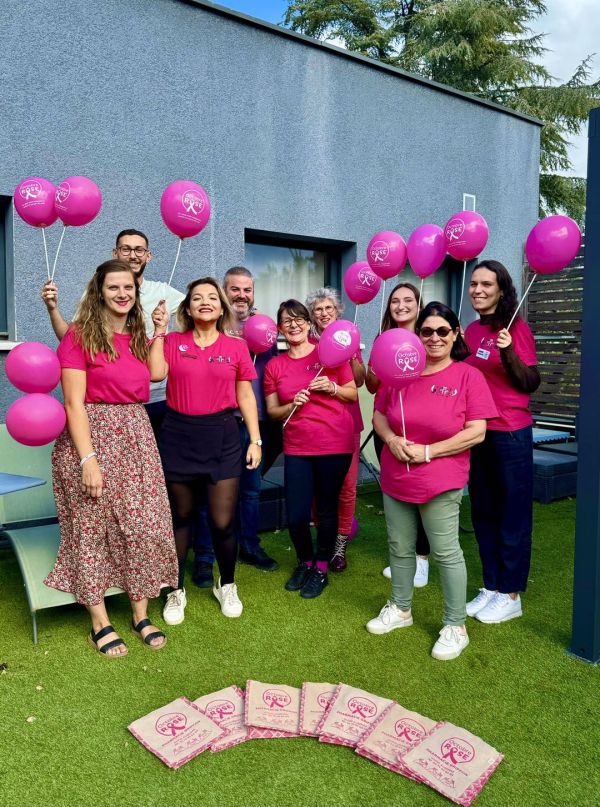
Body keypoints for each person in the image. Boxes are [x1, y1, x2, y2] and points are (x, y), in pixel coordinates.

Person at [44, 260, 178, 657]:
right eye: (114, 287)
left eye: (129, 288)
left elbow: (157, 374)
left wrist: (159, 330)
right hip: (92, 438)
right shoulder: (79, 337)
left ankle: (140, 612)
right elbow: (73, 402)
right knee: (91, 531)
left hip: (137, 438)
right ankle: (99, 621)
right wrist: (88, 459)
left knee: (144, 526)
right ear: (99, 292)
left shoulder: (138, 336)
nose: (122, 294)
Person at [368, 302, 497, 660]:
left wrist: (429, 452)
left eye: (443, 331)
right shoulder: (399, 373)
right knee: (399, 546)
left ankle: (455, 625)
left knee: (445, 552)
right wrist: (393, 440)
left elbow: (477, 431)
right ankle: (400, 608)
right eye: (427, 331)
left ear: (455, 334)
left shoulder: (468, 376)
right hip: (396, 474)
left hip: (440, 479)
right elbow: (379, 416)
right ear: (417, 335)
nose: (435, 338)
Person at [149, 277, 262, 622]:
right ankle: (175, 590)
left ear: (221, 306)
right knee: (180, 518)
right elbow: (155, 374)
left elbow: (245, 395)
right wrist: (157, 330)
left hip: (223, 437)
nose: (205, 302)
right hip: (178, 435)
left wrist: (255, 440)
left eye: (212, 297)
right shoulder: (172, 341)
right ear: (187, 308)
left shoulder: (236, 346)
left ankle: (226, 583)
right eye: (197, 297)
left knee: (222, 520)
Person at [40, 229, 184, 435]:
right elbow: (72, 339)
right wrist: (53, 309)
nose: (133, 255)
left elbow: (203, 314)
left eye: (139, 250)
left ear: (148, 255)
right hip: (105, 399)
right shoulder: (94, 299)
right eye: (126, 249)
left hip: (152, 399)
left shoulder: (163, 292)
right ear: (115, 252)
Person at [191, 266, 279, 588]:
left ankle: (249, 547)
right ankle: (204, 557)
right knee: (207, 494)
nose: (241, 295)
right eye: (234, 289)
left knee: (251, 492)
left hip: (253, 426)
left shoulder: (264, 331)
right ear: (223, 292)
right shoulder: (210, 327)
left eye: (247, 290)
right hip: (216, 425)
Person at [264, 300, 357, 599]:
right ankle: (304, 562)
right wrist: (293, 404)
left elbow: (353, 393)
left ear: (308, 323)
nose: (293, 325)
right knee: (297, 512)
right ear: (279, 328)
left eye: (299, 319)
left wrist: (332, 388)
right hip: (298, 447)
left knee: (326, 509)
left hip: (334, 443)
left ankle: (321, 567)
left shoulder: (328, 354)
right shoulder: (275, 365)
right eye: (286, 321)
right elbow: (273, 412)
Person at [464, 260, 540, 624]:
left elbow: (530, 382)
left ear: (501, 289)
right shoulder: (474, 330)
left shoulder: (516, 328)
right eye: (474, 283)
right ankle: (491, 586)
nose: (477, 290)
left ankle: (511, 594)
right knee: (483, 512)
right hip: (478, 433)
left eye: (486, 285)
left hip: (510, 432)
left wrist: (508, 350)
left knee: (512, 515)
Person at [365, 282, 431, 587]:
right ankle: (404, 558)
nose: (401, 306)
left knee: (422, 495)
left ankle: (422, 559)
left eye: (408, 300)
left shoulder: (429, 336)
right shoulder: (381, 339)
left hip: (420, 424)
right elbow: (372, 385)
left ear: (418, 304)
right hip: (387, 423)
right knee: (397, 493)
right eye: (395, 301)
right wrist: (368, 365)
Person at [305, 286, 365, 572]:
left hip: (347, 422)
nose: (324, 313)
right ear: (312, 315)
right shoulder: (305, 340)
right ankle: (323, 540)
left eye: (329, 308)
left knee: (346, 486)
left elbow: (361, 381)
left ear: (338, 311)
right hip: (316, 423)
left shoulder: (349, 337)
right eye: (318, 309)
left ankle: (339, 545)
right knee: (318, 488)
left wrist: (352, 353)